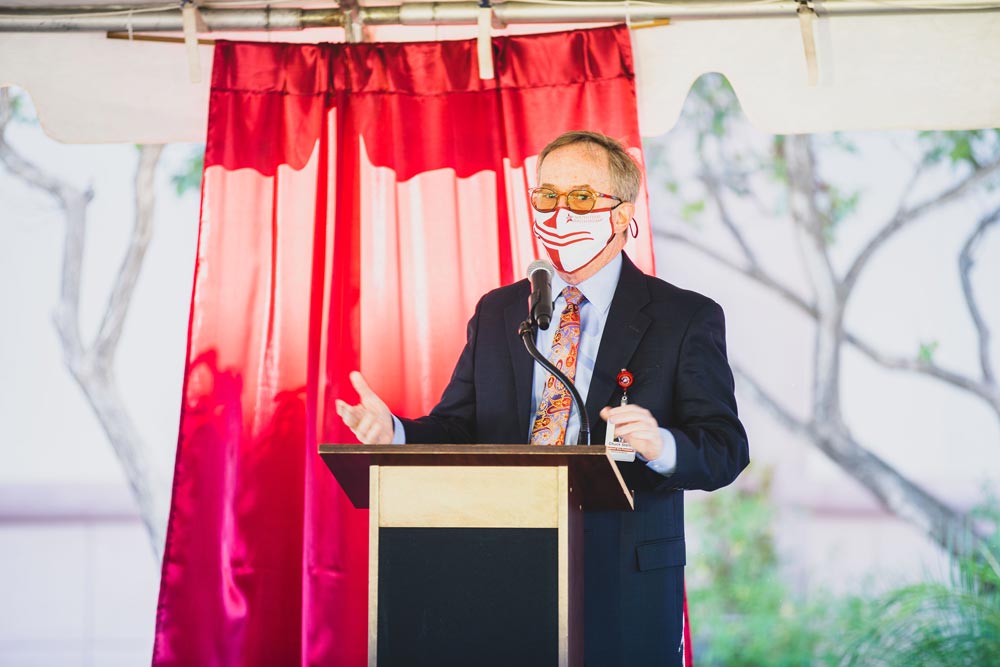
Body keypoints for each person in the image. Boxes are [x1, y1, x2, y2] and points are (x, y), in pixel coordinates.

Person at [336, 130, 749, 666]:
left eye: (580, 197)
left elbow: (724, 448)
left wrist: (661, 444)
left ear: (622, 215)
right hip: (502, 569)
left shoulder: (683, 317)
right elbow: (459, 429)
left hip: (623, 578)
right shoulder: (501, 311)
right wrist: (393, 433)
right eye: (547, 196)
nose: (561, 211)